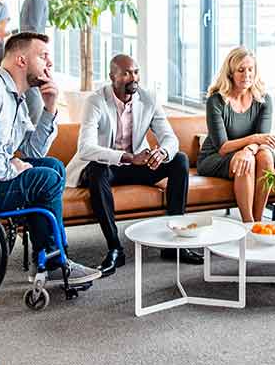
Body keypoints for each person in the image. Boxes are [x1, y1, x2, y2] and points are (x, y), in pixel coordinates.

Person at [0, 32, 102, 285]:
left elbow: (32, 151)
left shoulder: (17, 99)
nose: (49, 64)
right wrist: (10, 169)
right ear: (20, 60)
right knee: (45, 178)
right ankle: (53, 261)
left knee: (53, 167)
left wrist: (50, 107)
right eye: (43, 56)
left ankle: (48, 256)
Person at [64, 54, 201, 276]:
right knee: (97, 170)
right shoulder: (96, 101)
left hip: (137, 164)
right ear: (112, 76)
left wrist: (162, 152)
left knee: (179, 160)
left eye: (136, 72)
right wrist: (127, 157)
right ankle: (114, 248)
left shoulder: (148, 99)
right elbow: (86, 148)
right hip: (108, 166)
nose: (133, 77)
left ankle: (175, 244)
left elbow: (170, 137)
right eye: (126, 73)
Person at [197, 47, 275, 223]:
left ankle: (258, 224)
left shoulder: (263, 99)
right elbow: (223, 146)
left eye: (250, 69)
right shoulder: (216, 101)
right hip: (215, 156)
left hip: (250, 152)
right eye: (241, 70)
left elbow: (263, 138)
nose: (247, 75)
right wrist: (252, 140)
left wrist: (249, 148)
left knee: (266, 157)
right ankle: (248, 224)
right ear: (230, 73)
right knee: (246, 162)